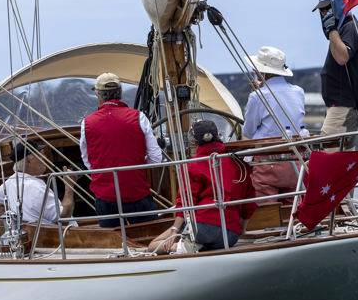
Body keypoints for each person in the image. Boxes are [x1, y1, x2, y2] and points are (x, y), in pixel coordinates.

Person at [147, 120, 255, 253]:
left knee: (152, 247)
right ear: (218, 136)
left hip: (201, 229)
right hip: (230, 235)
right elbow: (249, 202)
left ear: (195, 143)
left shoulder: (192, 165)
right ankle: (193, 247)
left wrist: (175, 230)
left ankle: (182, 248)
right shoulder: (240, 164)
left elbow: (186, 203)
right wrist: (242, 230)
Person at [79, 72, 163, 227]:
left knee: (114, 245)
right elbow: (156, 157)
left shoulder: (87, 123)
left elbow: (88, 161)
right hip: (137, 192)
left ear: (98, 95)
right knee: (150, 237)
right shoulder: (139, 117)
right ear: (120, 93)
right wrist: (136, 165)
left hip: (106, 196)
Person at [242, 46, 306, 200]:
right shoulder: (298, 91)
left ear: (264, 72)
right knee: (292, 209)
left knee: (267, 213)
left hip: (266, 164)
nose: (255, 72)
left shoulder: (257, 96)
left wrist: (258, 92)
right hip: (294, 161)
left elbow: (248, 132)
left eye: (256, 69)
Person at [313, 0, 358, 142]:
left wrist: (331, 30)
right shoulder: (342, 30)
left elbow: (342, 58)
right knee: (342, 155)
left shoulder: (350, 28)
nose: (324, 13)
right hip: (339, 105)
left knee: (328, 154)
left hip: (344, 105)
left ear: (338, 6)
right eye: (322, 10)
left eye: (328, 8)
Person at [0, 139, 74, 227]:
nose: (44, 158)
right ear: (27, 161)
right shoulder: (37, 187)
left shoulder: (11, 181)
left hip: (35, 235)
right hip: (63, 237)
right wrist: (69, 187)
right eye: (40, 155)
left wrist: (15, 223)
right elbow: (63, 219)